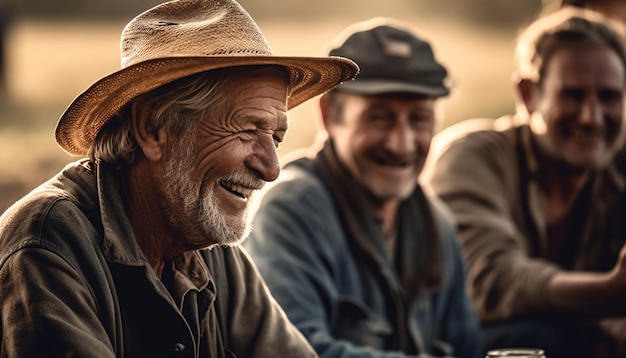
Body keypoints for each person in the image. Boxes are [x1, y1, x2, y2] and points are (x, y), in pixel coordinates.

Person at [0, 0, 358, 356]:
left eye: (276, 138)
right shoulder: (48, 246)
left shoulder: (210, 244)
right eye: (248, 130)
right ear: (153, 128)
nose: (271, 168)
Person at [244, 18, 483, 358]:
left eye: (418, 119)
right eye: (379, 117)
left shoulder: (437, 223)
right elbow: (297, 349)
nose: (401, 144)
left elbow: (468, 347)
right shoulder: (292, 209)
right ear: (328, 116)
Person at [422, 7, 626, 357]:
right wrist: (606, 295)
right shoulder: (471, 157)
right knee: (545, 337)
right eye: (573, 95)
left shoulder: (616, 171)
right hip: (457, 345)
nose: (591, 116)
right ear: (528, 95)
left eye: (609, 97)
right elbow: (488, 281)